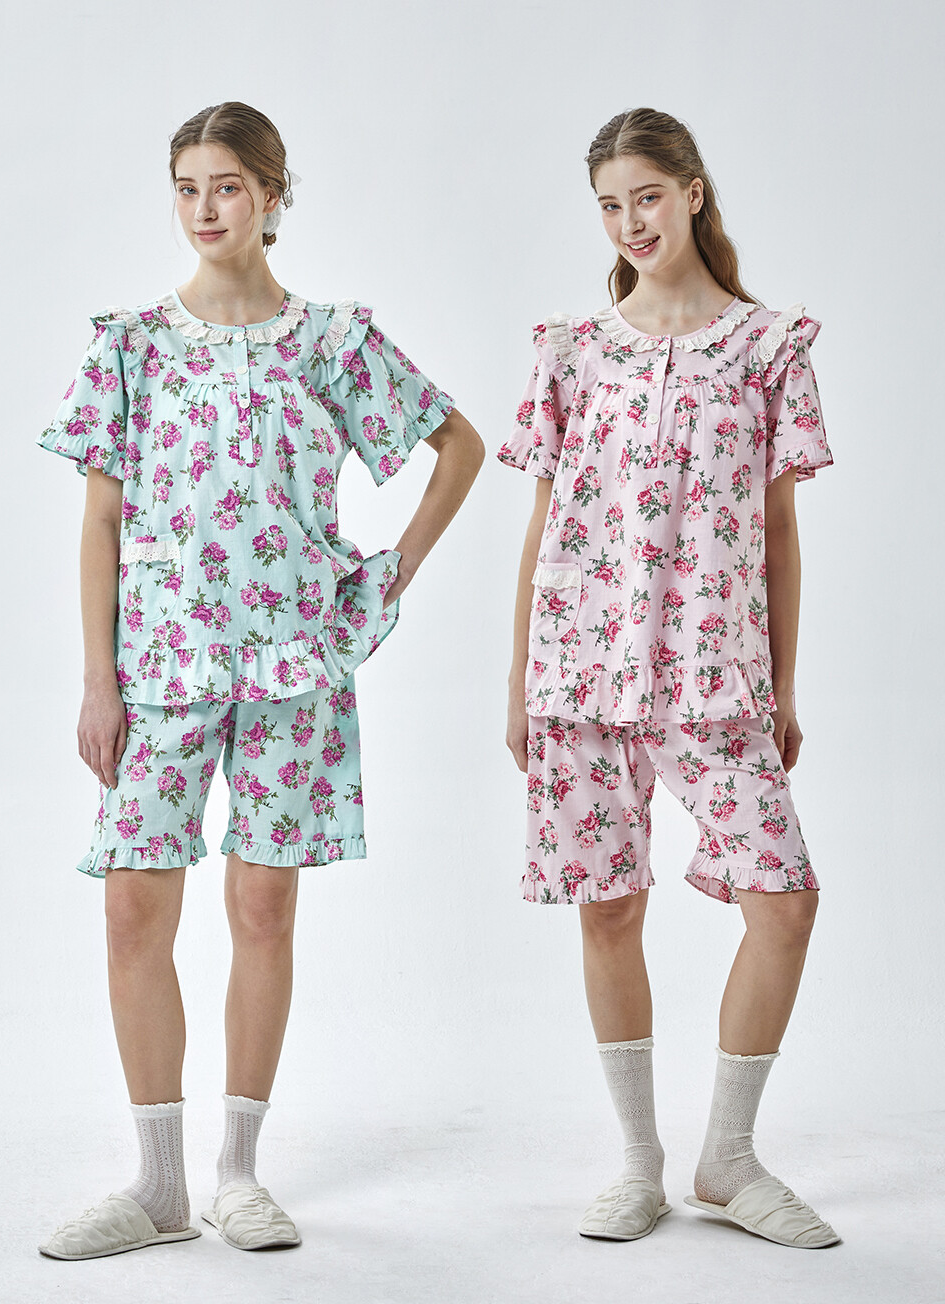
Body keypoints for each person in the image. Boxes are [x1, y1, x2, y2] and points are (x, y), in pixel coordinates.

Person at [36, 101, 483, 1260]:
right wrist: (98, 678)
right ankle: (157, 1184)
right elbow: (100, 521)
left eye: (227, 185)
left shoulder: (329, 342)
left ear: (273, 196)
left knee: (261, 908)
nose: (204, 207)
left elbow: (459, 447)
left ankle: (237, 1171)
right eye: (187, 186)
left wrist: (384, 577)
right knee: (132, 908)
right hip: (161, 669)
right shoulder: (130, 346)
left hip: (294, 667)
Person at [499, 107, 839, 1249]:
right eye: (610, 205)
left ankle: (727, 1159)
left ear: (693, 191)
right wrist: (518, 683)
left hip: (714, 673)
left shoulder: (770, 346)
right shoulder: (570, 349)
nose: (630, 222)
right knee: (608, 907)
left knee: (782, 901)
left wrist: (781, 686)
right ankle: (638, 1162)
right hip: (580, 670)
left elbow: (778, 533)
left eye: (647, 195)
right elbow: (543, 523)